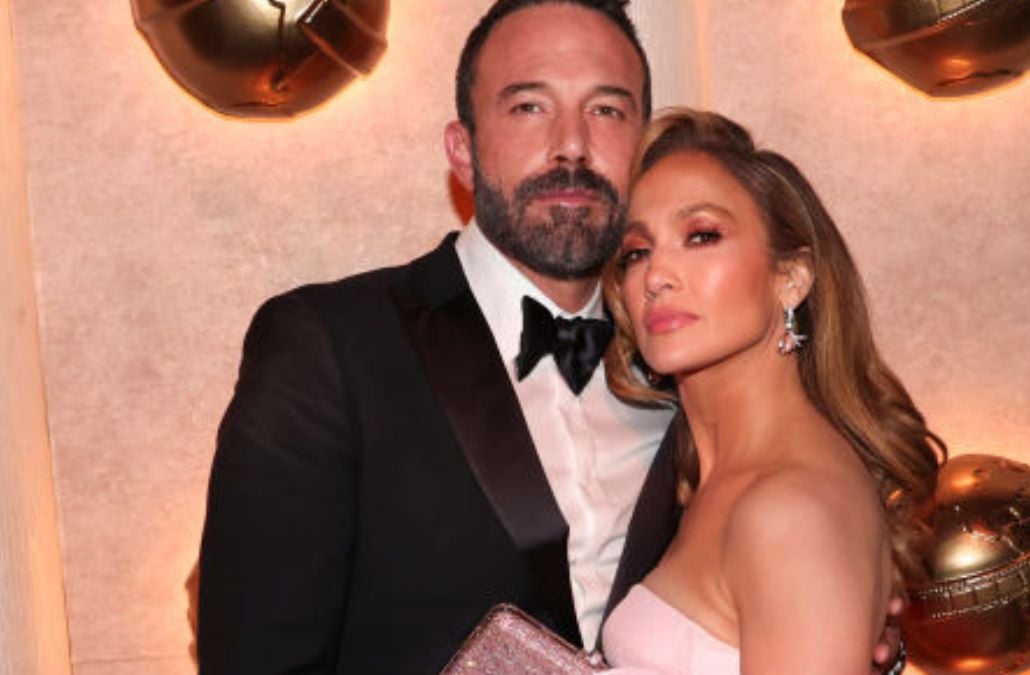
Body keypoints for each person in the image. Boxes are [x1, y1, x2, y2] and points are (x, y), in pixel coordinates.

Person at [197, 2, 904, 673]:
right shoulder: (329, 348)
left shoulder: (688, 366)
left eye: (606, 109)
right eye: (529, 106)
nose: (572, 144)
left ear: (643, 142)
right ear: (463, 151)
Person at [598, 109, 945, 674]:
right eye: (637, 251)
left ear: (791, 277)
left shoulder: (788, 511)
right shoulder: (716, 478)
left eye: (701, 235)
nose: (655, 274)